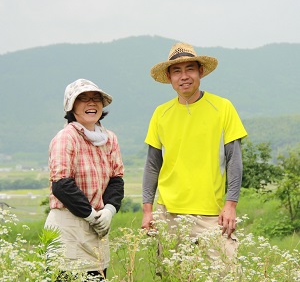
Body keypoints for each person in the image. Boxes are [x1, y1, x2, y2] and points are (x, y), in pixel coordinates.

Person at [142, 43, 248, 262]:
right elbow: (153, 165)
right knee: (173, 276)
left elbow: (234, 160)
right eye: (177, 71)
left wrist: (231, 205)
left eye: (190, 69)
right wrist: (147, 210)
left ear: (200, 72)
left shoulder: (223, 107)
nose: (184, 76)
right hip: (168, 212)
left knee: (227, 272)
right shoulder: (161, 114)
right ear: (169, 77)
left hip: (212, 213)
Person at [44, 78, 124, 281]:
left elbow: (116, 179)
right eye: (83, 99)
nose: (92, 103)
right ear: (72, 107)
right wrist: (90, 215)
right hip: (68, 226)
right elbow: (61, 184)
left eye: (96, 99)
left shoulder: (110, 138)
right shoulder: (66, 137)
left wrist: (109, 210)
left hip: (98, 227)